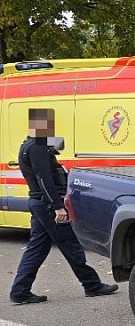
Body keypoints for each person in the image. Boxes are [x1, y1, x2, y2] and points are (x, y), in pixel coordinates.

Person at [9, 109, 119, 304]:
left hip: (38, 203)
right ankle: (92, 285)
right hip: (47, 205)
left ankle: (20, 290)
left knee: (37, 248)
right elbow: (44, 179)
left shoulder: (27, 145)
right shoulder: (38, 148)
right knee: (70, 244)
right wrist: (58, 206)